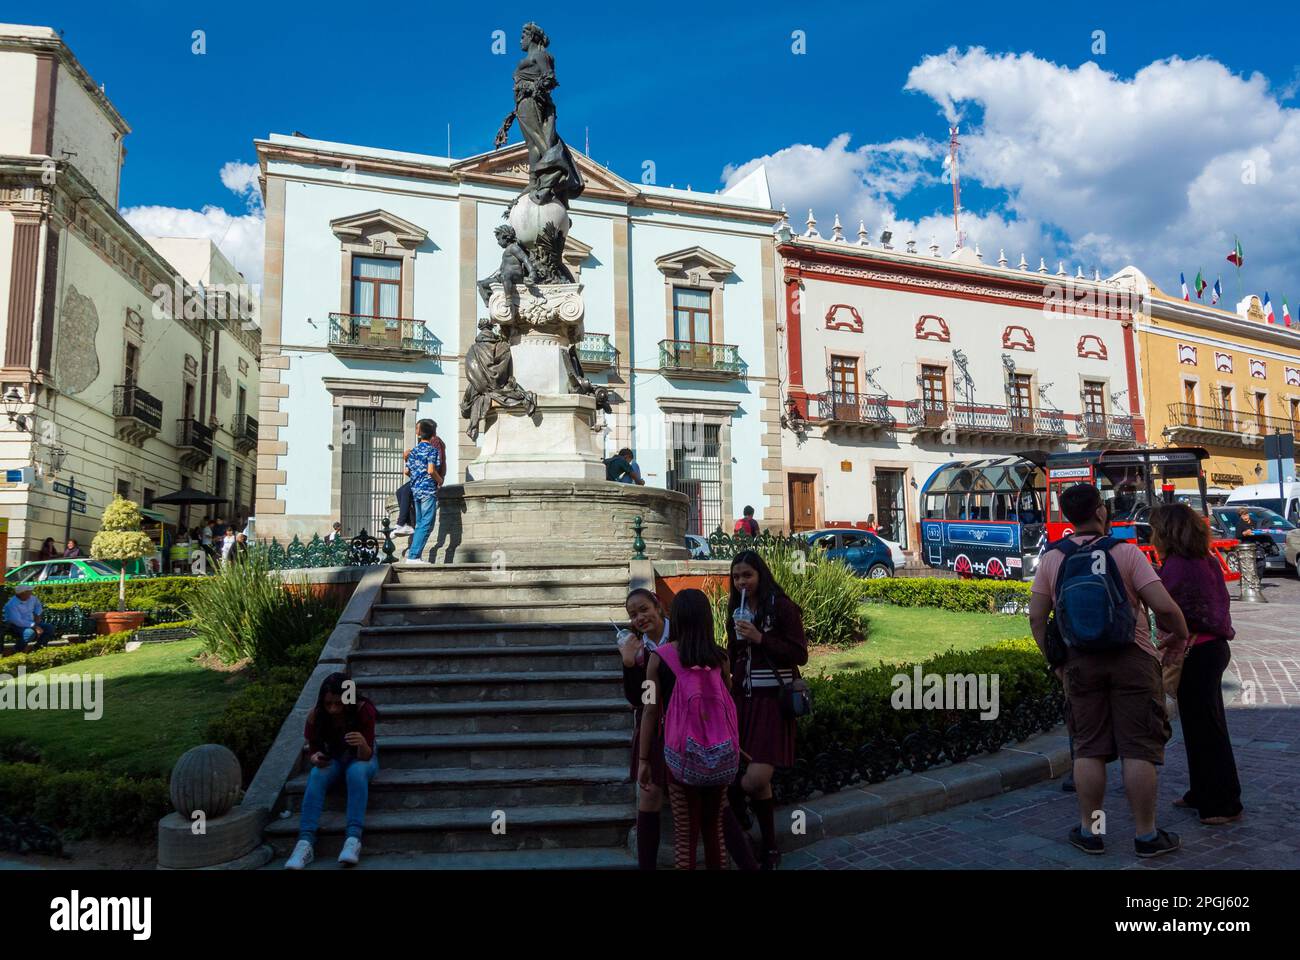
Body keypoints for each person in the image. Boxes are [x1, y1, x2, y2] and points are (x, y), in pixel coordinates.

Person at [1029, 483, 1190, 859]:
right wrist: (1179, 636)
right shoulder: (1126, 553)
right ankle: (1146, 835)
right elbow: (1164, 607)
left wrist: (1055, 660)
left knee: (1090, 749)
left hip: (1080, 662)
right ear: (1101, 511)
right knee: (1138, 748)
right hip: (1132, 658)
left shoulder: (1053, 558)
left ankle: (1092, 831)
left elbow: (1037, 617)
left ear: (1069, 516)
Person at [1149, 503, 1244, 825]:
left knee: (1206, 729)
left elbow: (1169, 610)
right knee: (1201, 726)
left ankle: (1222, 803)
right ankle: (1203, 792)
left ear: (1167, 533)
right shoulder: (1206, 561)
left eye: (1155, 530)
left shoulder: (1176, 566)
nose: (1152, 536)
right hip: (1213, 649)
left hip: (1198, 654)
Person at [639, 589, 734, 870]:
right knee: (715, 831)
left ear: (675, 618)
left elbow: (650, 710)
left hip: (679, 758)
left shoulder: (658, 659)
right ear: (706, 619)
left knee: (685, 837)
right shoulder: (721, 658)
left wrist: (644, 759)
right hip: (719, 757)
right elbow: (728, 702)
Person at [726, 549, 808, 869]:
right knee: (761, 782)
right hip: (743, 701)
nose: (742, 582)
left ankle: (737, 814)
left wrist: (760, 637)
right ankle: (771, 847)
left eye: (747, 575)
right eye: (736, 577)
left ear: (761, 574)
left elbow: (799, 654)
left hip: (773, 701)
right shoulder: (737, 607)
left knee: (755, 777)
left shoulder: (782, 607)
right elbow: (734, 655)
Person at [285, 673, 379, 869]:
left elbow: (366, 756)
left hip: (361, 756)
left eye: (338, 703)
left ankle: (353, 839)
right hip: (334, 757)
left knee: (355, 773)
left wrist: (361, 743)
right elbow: (313, 749)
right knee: (317, 774)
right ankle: (305, 842)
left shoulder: (364, 710)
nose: (333, 709)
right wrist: (315, 757)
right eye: (328, 704)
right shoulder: (316, 715)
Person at [619, 588, 670, 870]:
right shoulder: (636, 647)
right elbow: (638, 699)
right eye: (633, 614)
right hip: (651, 726)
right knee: (649, 795)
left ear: (657, 605)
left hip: (681, 722)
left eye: (643, 609)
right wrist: (629, 664)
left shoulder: (678, 635)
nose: (639, 618)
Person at [404, 419, 444, 563]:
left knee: (420, 523)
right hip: (428, 490)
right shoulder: (432, 450)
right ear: (433, 433)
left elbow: (407, 471)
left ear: (420, 433)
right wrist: (440, 481)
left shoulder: (413, 451)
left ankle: (415, 555)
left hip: (416, 490)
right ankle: (413, 556)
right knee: (427, 524)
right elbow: (431, 470)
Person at [4, 585, 48, 652]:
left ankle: (37, 649)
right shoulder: (11, 604)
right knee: (29, 633)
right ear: (21, 593)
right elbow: (18, 621)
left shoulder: (32, 598)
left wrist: (38, 616)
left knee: (49, 628)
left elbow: (38, 606)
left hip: (32, 622)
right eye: (29, 592)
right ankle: (15, 651)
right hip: (15, 625)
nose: (31, 594)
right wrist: (35, 626)